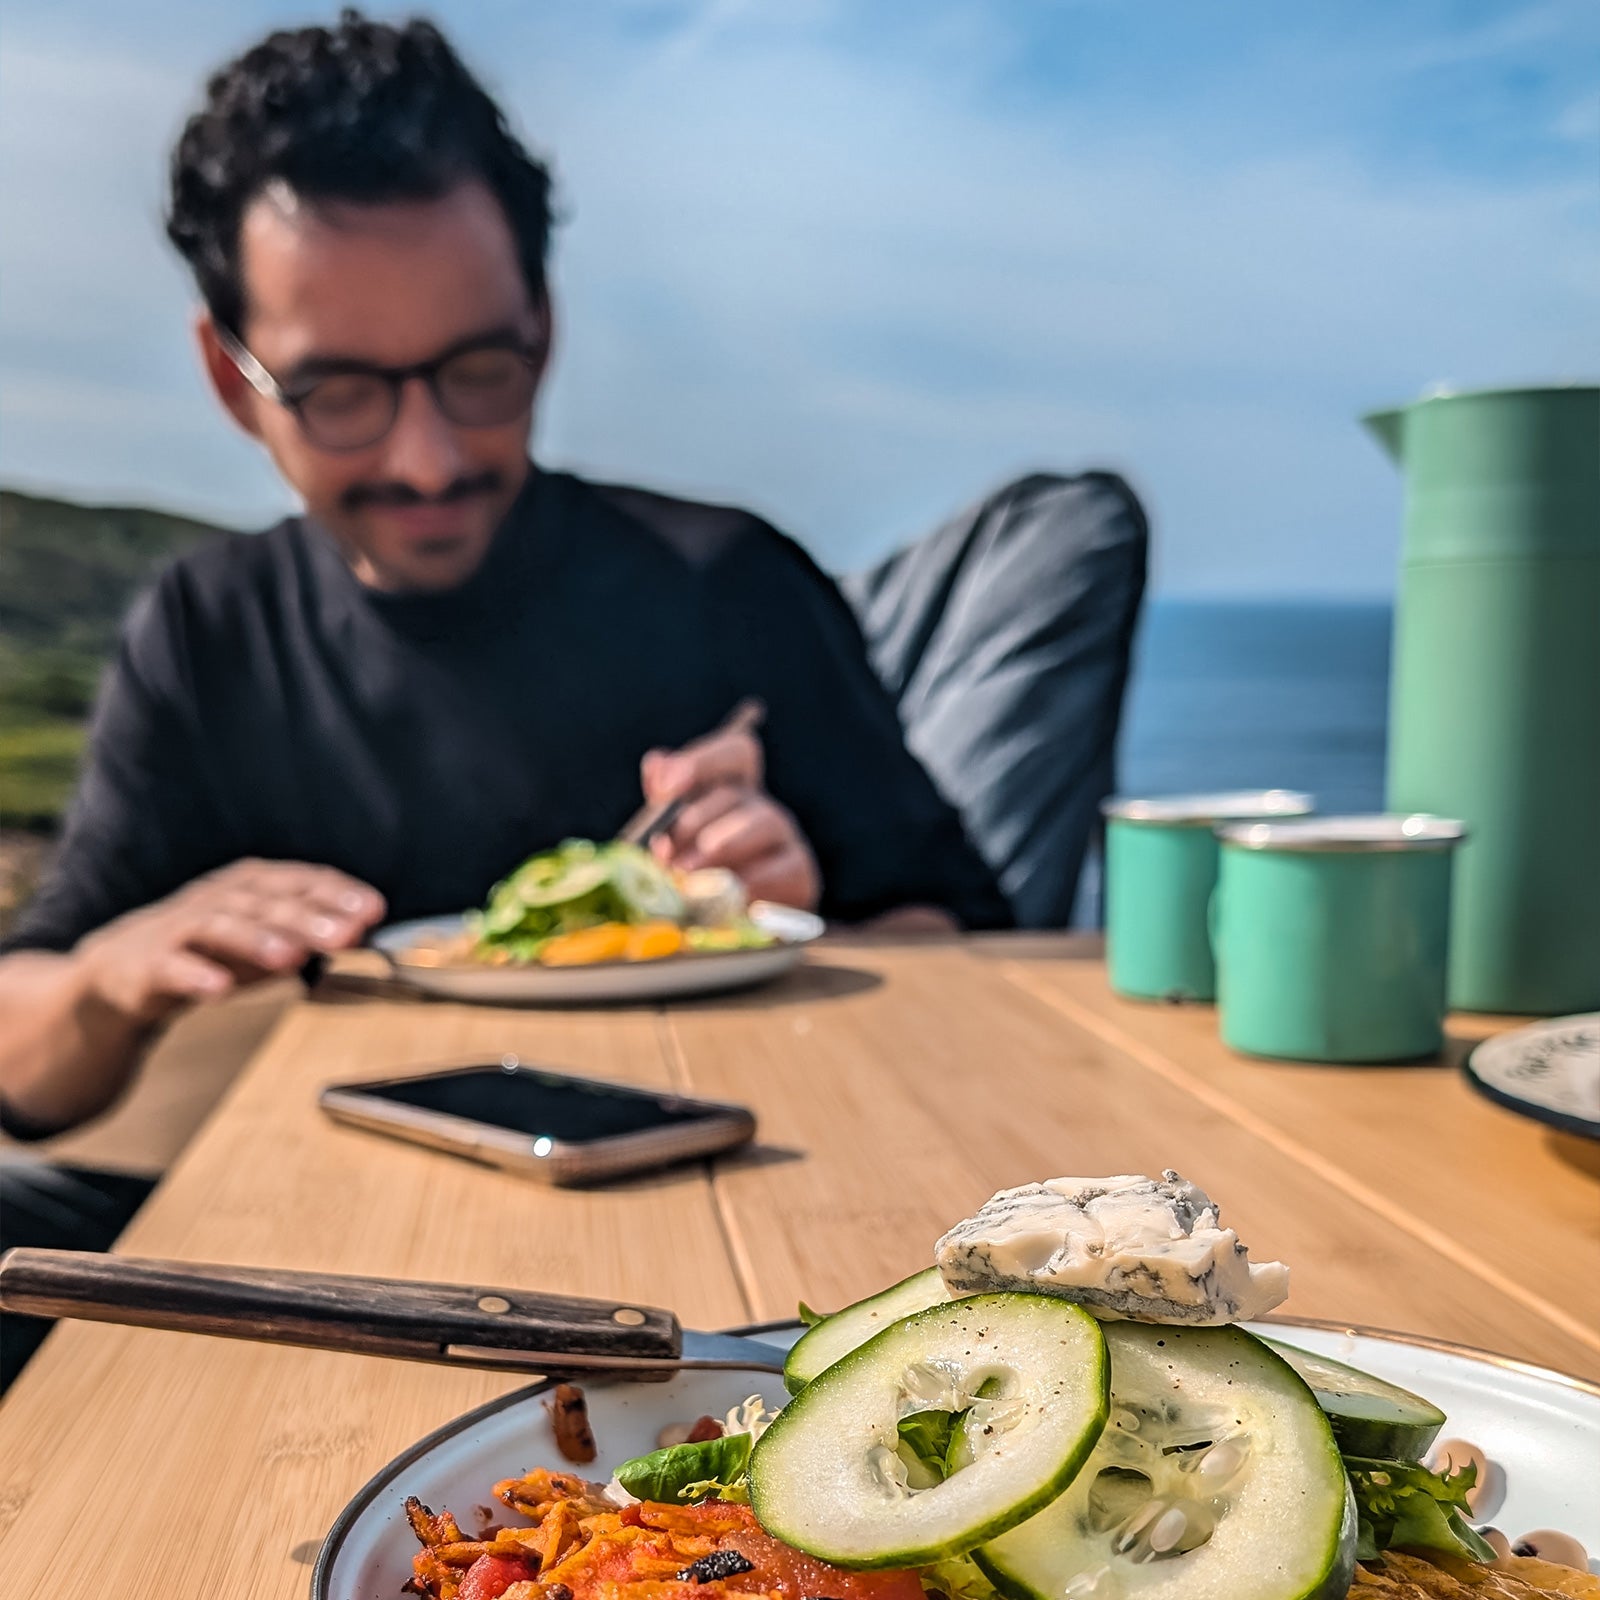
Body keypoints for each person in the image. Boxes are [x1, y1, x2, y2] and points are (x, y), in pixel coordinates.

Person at [0, 12, 1145, 1385]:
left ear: (542, 326)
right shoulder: (205, 629)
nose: (426, 458)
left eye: (477, 369)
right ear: (231, 380)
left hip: (744, 1257)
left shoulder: (727, 581)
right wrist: (118, 975)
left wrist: (806, 912)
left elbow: (967, 946)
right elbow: (29, 1071)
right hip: (307, 1261)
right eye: (340, 392)